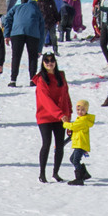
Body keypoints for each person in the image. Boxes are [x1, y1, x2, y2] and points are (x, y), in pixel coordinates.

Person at [32, 53, 71, 184]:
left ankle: (56, 172)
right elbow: (45, 100)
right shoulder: (42, 80)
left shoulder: (61, 76)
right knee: (46, 143)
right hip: (45, 116)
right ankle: (42, 173)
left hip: (60, 118)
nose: (49, 63)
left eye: (52, 60)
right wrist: (61, 114)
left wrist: (68, 117)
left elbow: (66, 97)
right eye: (46, 61)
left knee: (60, 145)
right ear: (42, 63)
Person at [4, 0, 44, 85]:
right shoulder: (36, 9)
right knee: (33, 56)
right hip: (33, 34)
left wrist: (7, 34)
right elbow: (42, 29)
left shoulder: (16, 7)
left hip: (17, 33)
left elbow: (7, 19)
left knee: (16, 56)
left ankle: (13, 80)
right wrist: (39, 49)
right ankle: (32, 79)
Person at [61, 99, 95, 185]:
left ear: (86, 110)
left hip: (81, 144)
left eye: (83, 110)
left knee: (75, 160)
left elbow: (73, 126)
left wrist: (65, 123)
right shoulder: (80, 119)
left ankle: (79, 178)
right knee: (72, 159)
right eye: (78, 110)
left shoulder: (83, 120)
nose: (80, 112)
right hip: (78, 143)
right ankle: (84, 173)